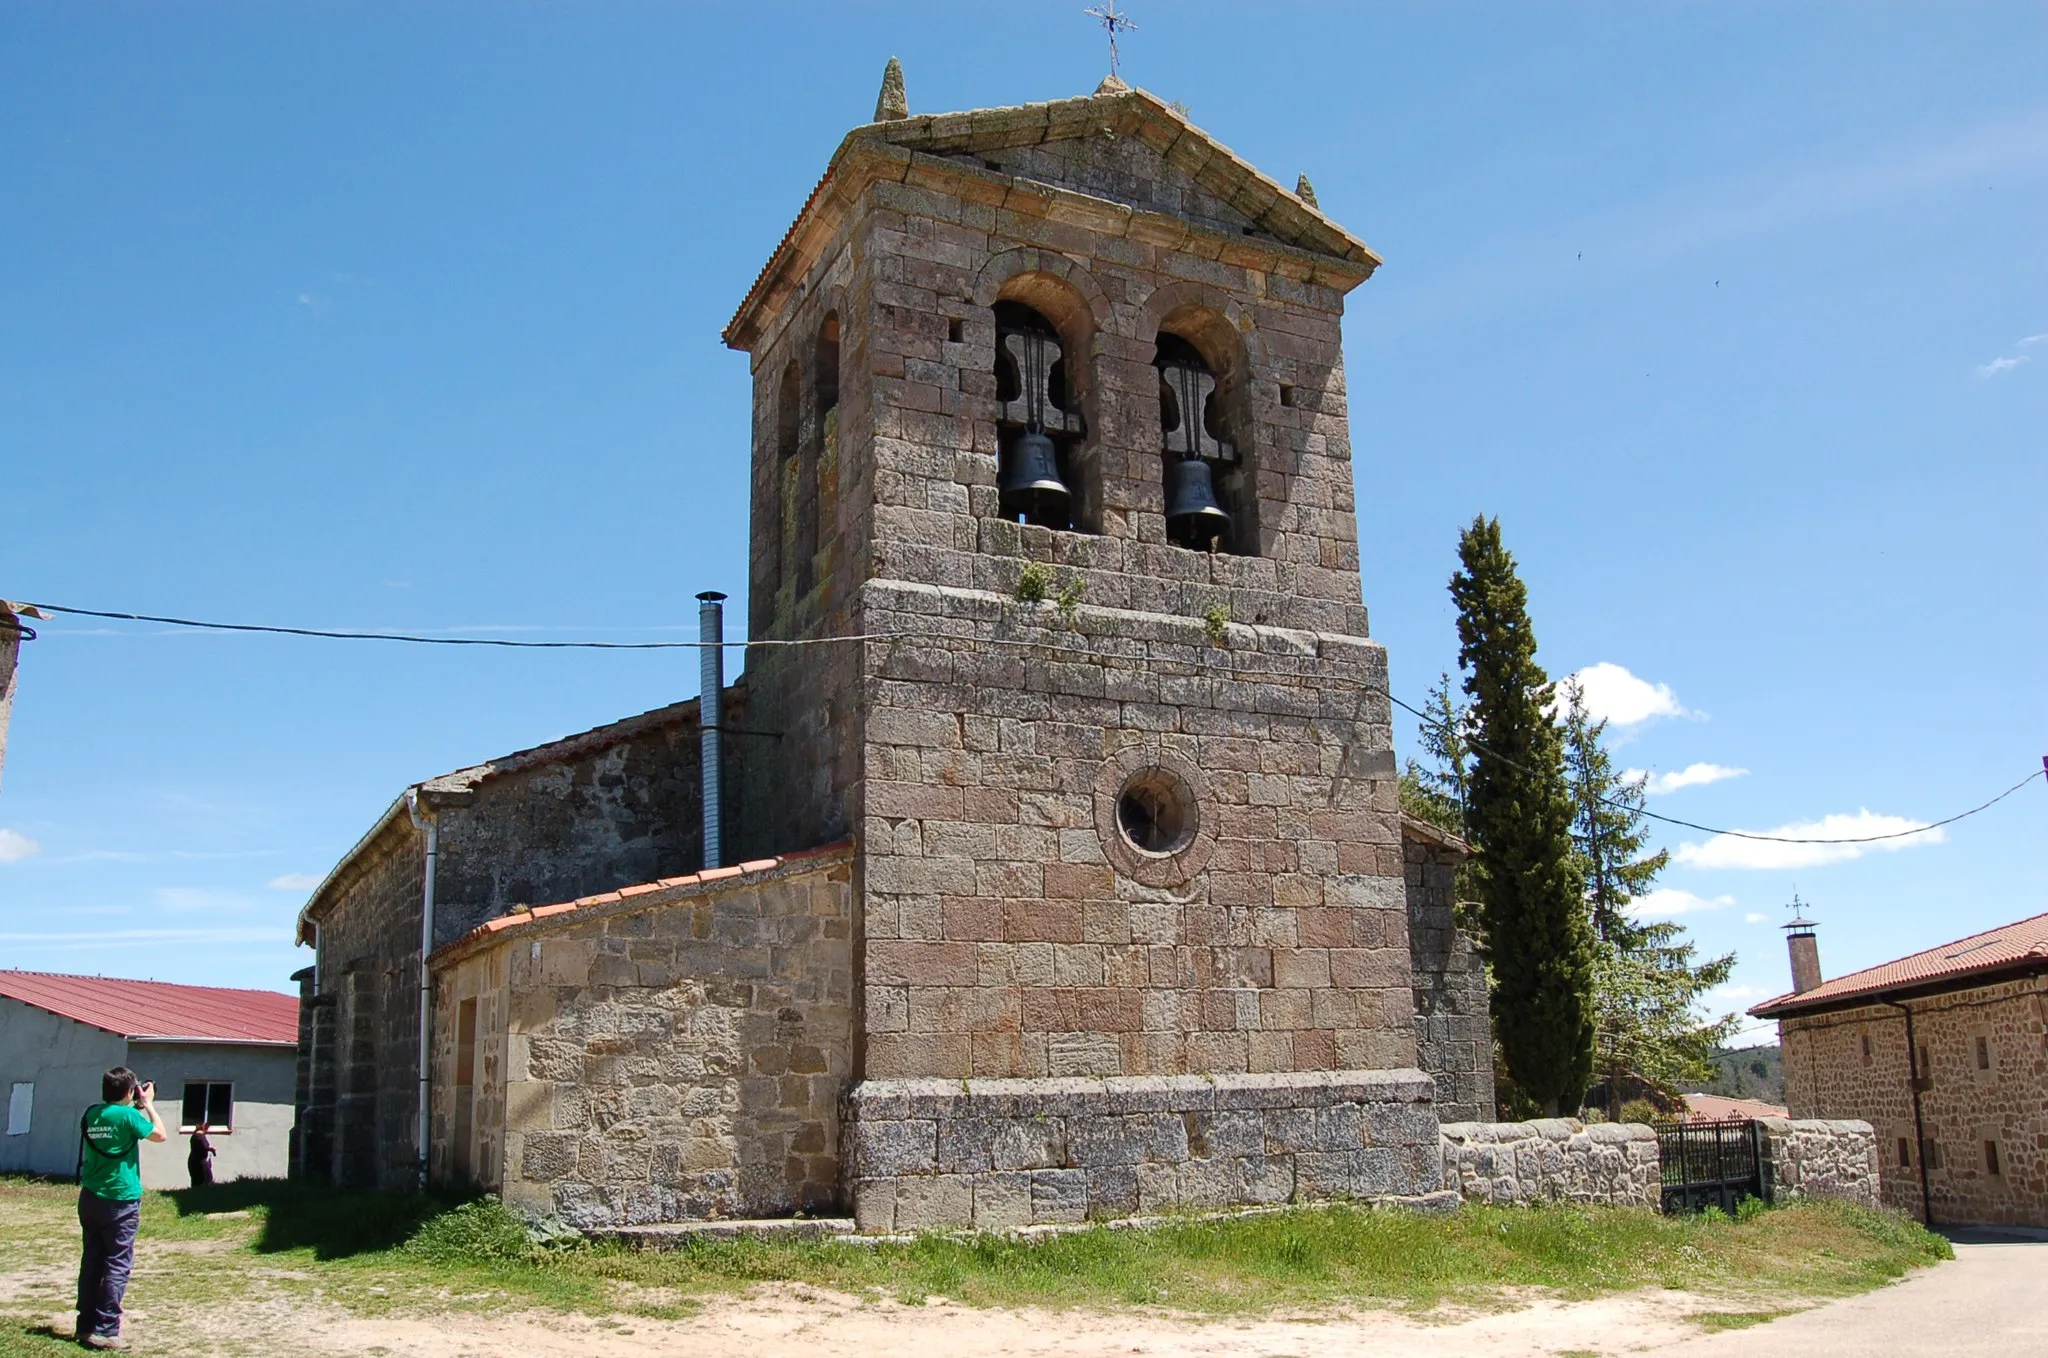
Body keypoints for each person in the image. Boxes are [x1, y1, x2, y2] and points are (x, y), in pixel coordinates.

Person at [76, 1067, 165, 1351]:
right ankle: (106, 1329)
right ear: (130, 1091)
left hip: (90, 1196)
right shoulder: (129, 1117)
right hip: (121, 1199)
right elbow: (160, 1135)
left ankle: (85, 1324)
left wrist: (133, 1103)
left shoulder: (91, 1114)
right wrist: (148, 1104)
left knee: (92, 1261)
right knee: (117, 1263)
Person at [186, 1123, 215, 1189]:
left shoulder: (195, 1135)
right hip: (199, 1162)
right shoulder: (199, 1136)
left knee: (197, 1180)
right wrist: (211, 1149)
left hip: (195, 1161)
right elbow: (203, 1147)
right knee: (204, 1179)